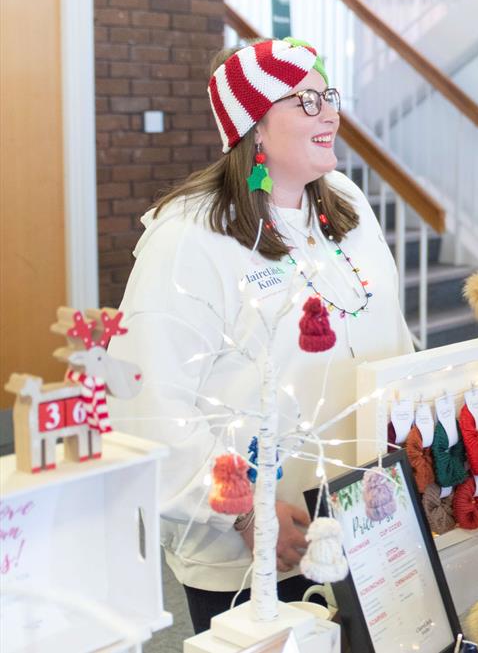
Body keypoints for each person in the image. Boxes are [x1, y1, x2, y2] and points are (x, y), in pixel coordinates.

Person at [108, 38, 415, 632]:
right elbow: (146, 404)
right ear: (253, 130)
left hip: (364, 510)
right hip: (259, 544)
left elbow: (390, 337)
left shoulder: (347, 206)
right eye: (305, 102)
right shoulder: (189, 240)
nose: (330, 113)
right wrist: (247, 513)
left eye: (329, 96)